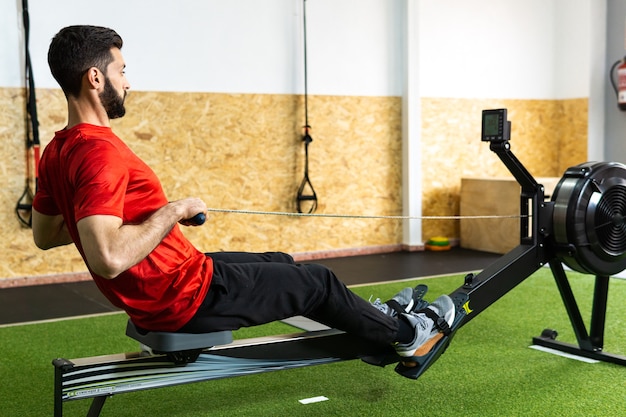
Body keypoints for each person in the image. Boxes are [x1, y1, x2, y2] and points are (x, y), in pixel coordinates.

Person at [32, 25, 455, 365]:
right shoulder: (99, 152)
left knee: (282, 263)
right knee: (319, 282)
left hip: (173, 279)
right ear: (95, 77)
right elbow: (108, 258)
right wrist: (172, 210)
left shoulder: (58, 150)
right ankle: (407, 336)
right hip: (181, 295)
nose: (128, 82)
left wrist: (127, 221)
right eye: (121, 71)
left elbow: (46, 234)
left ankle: (371, 320)